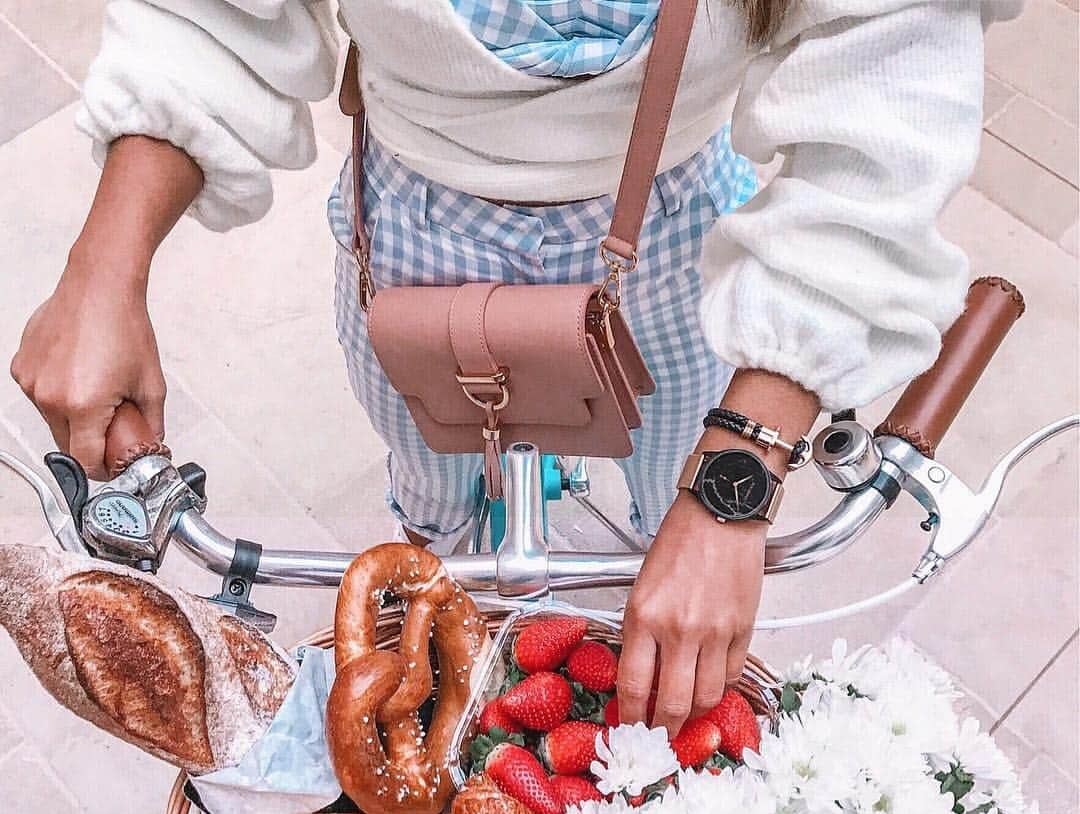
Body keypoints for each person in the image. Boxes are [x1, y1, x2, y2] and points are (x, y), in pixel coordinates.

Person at [9, 0, 1019, 735]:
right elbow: (215, 15)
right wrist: (103, 269)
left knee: (673, 491)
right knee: (435, 499)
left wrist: (734, 481)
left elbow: (890, 78)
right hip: (412, 232)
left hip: (682, 251)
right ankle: (439, 567)